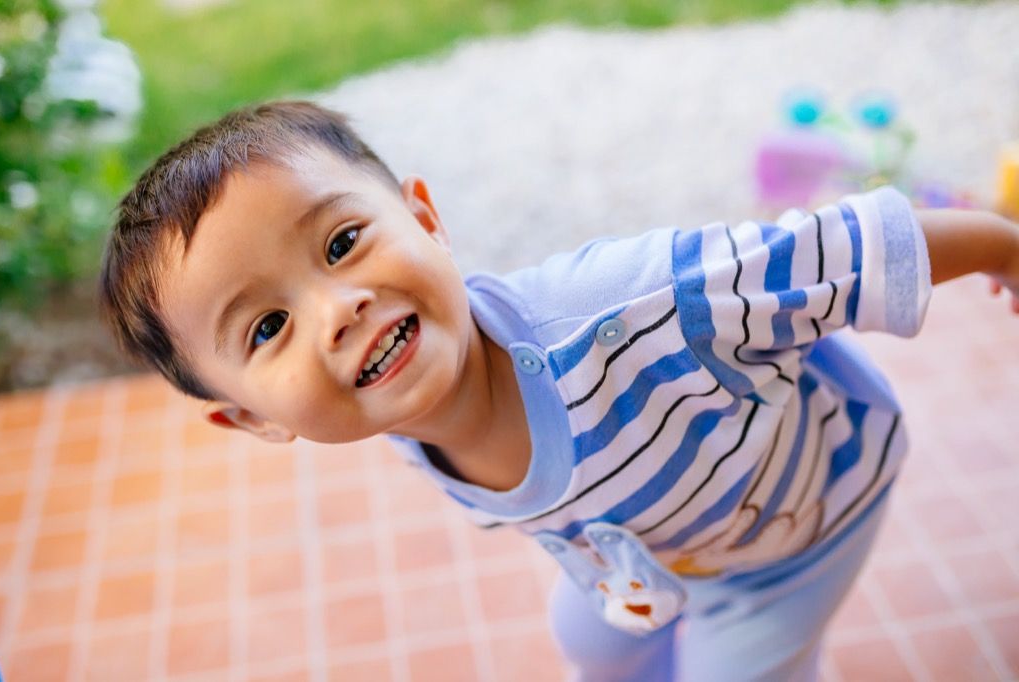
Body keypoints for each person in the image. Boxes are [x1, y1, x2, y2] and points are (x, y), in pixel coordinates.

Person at [99, 101, 1019, 681]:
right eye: (267, 328)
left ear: (426, 220)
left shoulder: (637, 309)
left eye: (342, 244)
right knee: (592, 644)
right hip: (644, 544)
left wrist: (1003, 246)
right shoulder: (396, 399)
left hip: (798, 516)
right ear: (254, 417)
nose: (338, 309)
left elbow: (839, 250)